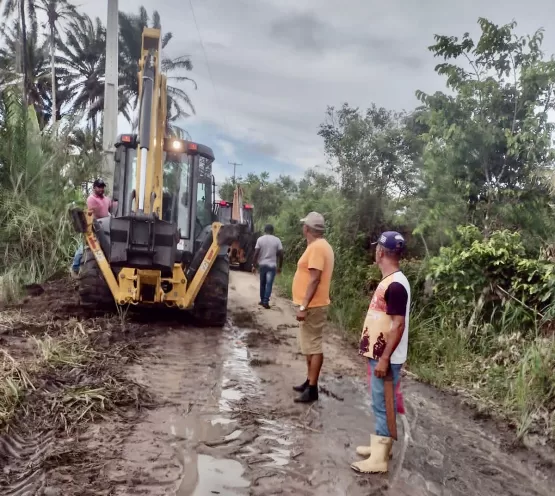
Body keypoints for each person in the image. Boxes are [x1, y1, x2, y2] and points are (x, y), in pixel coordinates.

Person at [351, 231, 411, 474]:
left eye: (377, 248)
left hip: (386, 356)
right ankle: (380, 447)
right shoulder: (391, 280)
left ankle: (379, 460)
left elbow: (398, 325)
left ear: (381, 252)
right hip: (379, 354)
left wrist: (384, 358)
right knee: (379, 402)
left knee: (382, 404)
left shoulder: (395, 284)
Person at [291, 212, 334, 403]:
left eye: (304, 226)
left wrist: (303, 306)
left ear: (307, 228)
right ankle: (309, 381)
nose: (303, 228)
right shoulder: (320, 246)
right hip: (313, 305)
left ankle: (312, 388)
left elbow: (315, 278)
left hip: (313, 306)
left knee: (313, 346)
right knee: (309, 345)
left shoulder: (317, 248)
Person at [71, 178, 115, 277]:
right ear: (94, 188)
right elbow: (98, 212)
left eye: (102, 187)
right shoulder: (91, 199)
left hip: (105, 227)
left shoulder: (106, 199)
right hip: (95, 227)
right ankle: (75, 267)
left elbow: (111, 206)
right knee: (87, 246)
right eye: (99, 187)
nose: (101, 189)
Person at [252, 224, 283, 309]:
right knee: (269, 284)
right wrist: (280, 266)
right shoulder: (277, 240)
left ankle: (262, 301)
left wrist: (254, 265)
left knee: (262, 283)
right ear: (272, 231)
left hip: (262, 265)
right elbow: (281, 254)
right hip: (272, 265)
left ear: (264, 230)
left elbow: (256, 253)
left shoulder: (260, 239)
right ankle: (266, 301)